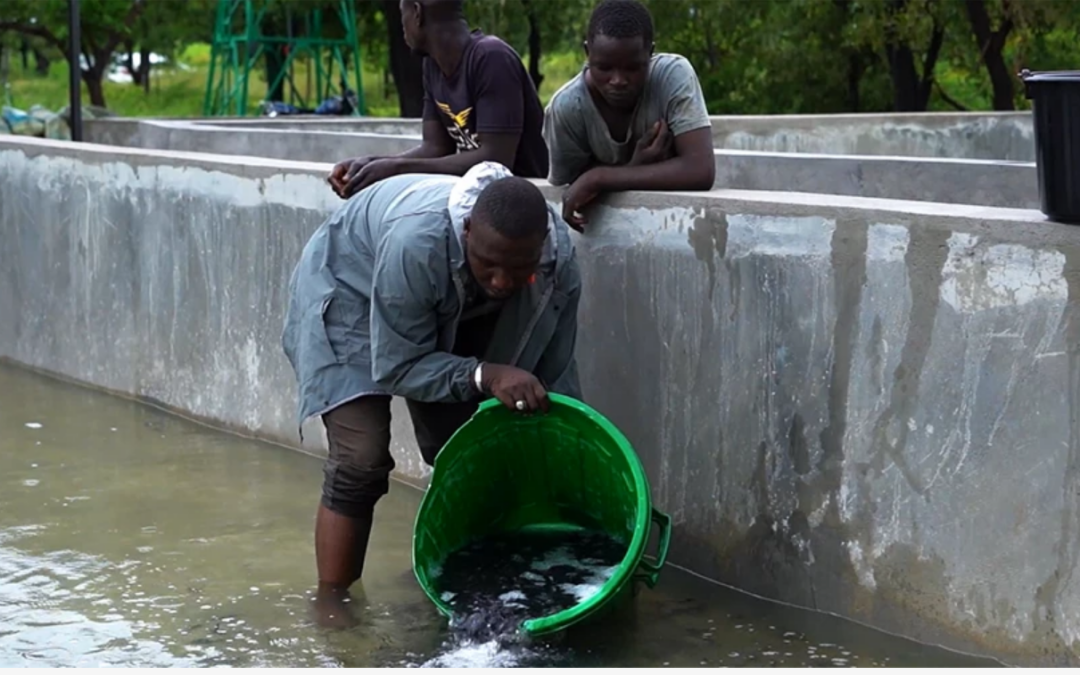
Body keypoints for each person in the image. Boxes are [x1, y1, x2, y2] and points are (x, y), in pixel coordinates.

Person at [282, 162, 582, 627]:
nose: (502, 281)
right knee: (360, 459)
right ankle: (333, 605)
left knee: (468, 449)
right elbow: (398, 365)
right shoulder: (416, 244)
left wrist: (568, 458)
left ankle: (458, 579)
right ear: (465, 232)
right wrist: (485, 374)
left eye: (517, 269)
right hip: (348, 290)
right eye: (489, 264)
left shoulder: (558, 260)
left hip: (437, 298)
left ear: (540, 249)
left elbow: (556, 371)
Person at [327, 0, 549, 199]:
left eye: (401, 11)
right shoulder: (432, 66)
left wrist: (394, 168)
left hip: (527, 204)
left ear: (416, 12)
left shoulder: (491, 58)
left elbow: (496, 160)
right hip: (482, 200)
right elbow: (435, 148)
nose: (401, 25)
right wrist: (371, 164)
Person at [542, 0, 716, 230]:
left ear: (650, 53)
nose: (618, 81)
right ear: (587, 53)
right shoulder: (567, 108)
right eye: (604, 68)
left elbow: (700, 170)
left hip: (682, 227)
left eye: (633, 68)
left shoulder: (672, 76)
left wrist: (600, 177)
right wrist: (634, 165)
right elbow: (572, 191)